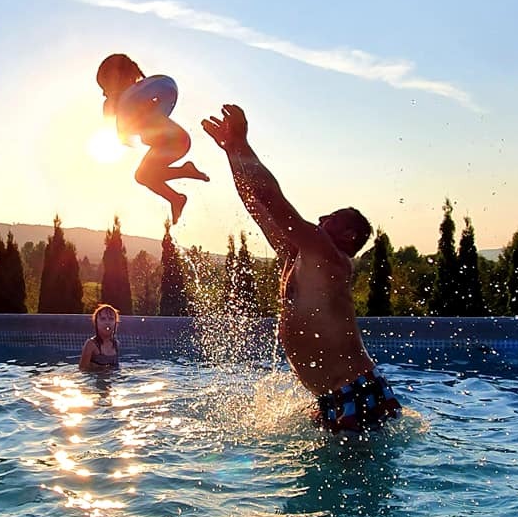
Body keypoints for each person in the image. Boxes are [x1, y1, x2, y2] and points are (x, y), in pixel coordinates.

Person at [200, 104, 401, 432]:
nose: (321, 220)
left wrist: (243, 144)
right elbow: (257, 204)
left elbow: (274, 199)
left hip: (357, 393)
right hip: (330, 399)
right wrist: (231, 153)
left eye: (330, 218)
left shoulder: (331, 258)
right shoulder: (298, 258)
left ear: (348, 235)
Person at [97, 53, 209, 224]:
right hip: (167, 145)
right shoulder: (128, 103)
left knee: (144, 175)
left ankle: (184, 174)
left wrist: (123, 112)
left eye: (105, 87)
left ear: (117, 79)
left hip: (176, 141)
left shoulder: (139, 101)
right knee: (142, 176)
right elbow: (114, 117)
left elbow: (116, 113)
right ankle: (176, 198)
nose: (104, 94)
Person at [78, 304, 121, 372]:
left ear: (116, 323)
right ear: (96, 322)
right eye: (103, 319)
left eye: (111, 319)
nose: (107, 322)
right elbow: (82, 370)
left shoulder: (116, 344)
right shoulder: (91, 344)